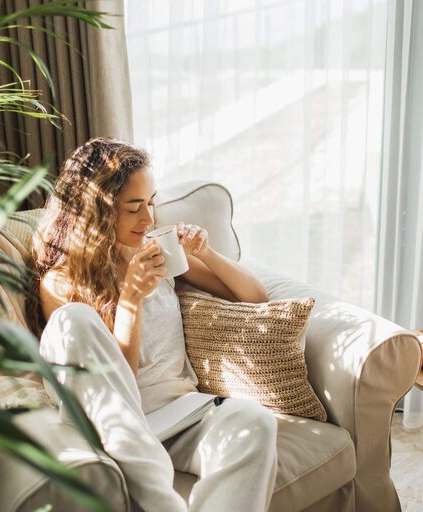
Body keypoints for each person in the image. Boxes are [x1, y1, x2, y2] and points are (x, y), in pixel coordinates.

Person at [32, 137, 278, 512]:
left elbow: (255, 297)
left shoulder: (155, 253)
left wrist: (206, 253)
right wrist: (130, 299)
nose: (148, 219)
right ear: (96, 211)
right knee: (74, 319)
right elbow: (117, 384)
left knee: (254, 421)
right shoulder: (62, 282)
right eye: (134, 208)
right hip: (123, 425)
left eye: (150, 203)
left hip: (184, 414)